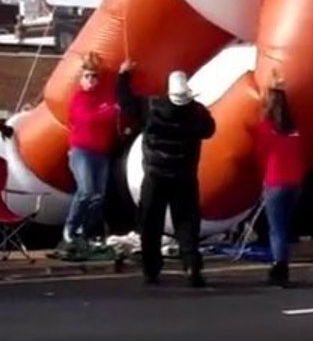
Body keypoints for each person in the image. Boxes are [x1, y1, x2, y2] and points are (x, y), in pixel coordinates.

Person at [120, 67, 216, 287]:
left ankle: (151, 268)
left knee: (150, 222)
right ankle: (191, 265)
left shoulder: (152, 109)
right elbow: (210, 130)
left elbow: (127, 104)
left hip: (155, 175)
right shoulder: (196, 113)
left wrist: (123, 78)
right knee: (187, 223)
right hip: (185, 175)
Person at [63, 53, 120, 249]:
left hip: (101, 152)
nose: (91, 80)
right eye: (87, 76)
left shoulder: (103, 97)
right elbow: (87, 119)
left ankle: (89, 232)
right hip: (82, 151)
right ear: (81, 79)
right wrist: (107, 111)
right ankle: (71, 228)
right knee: (86, 191)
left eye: (94, 76)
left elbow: (110, 115)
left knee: (98, 195)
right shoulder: (78, 98)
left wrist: (107, 111)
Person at [255, 75, 304, 287]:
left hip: (275, 180)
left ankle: (279, 268)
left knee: (277, 229)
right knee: (284, 227)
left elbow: (260, 154)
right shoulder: (295, 130)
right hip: (295, 181)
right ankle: (280, 266)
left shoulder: (265, 128)